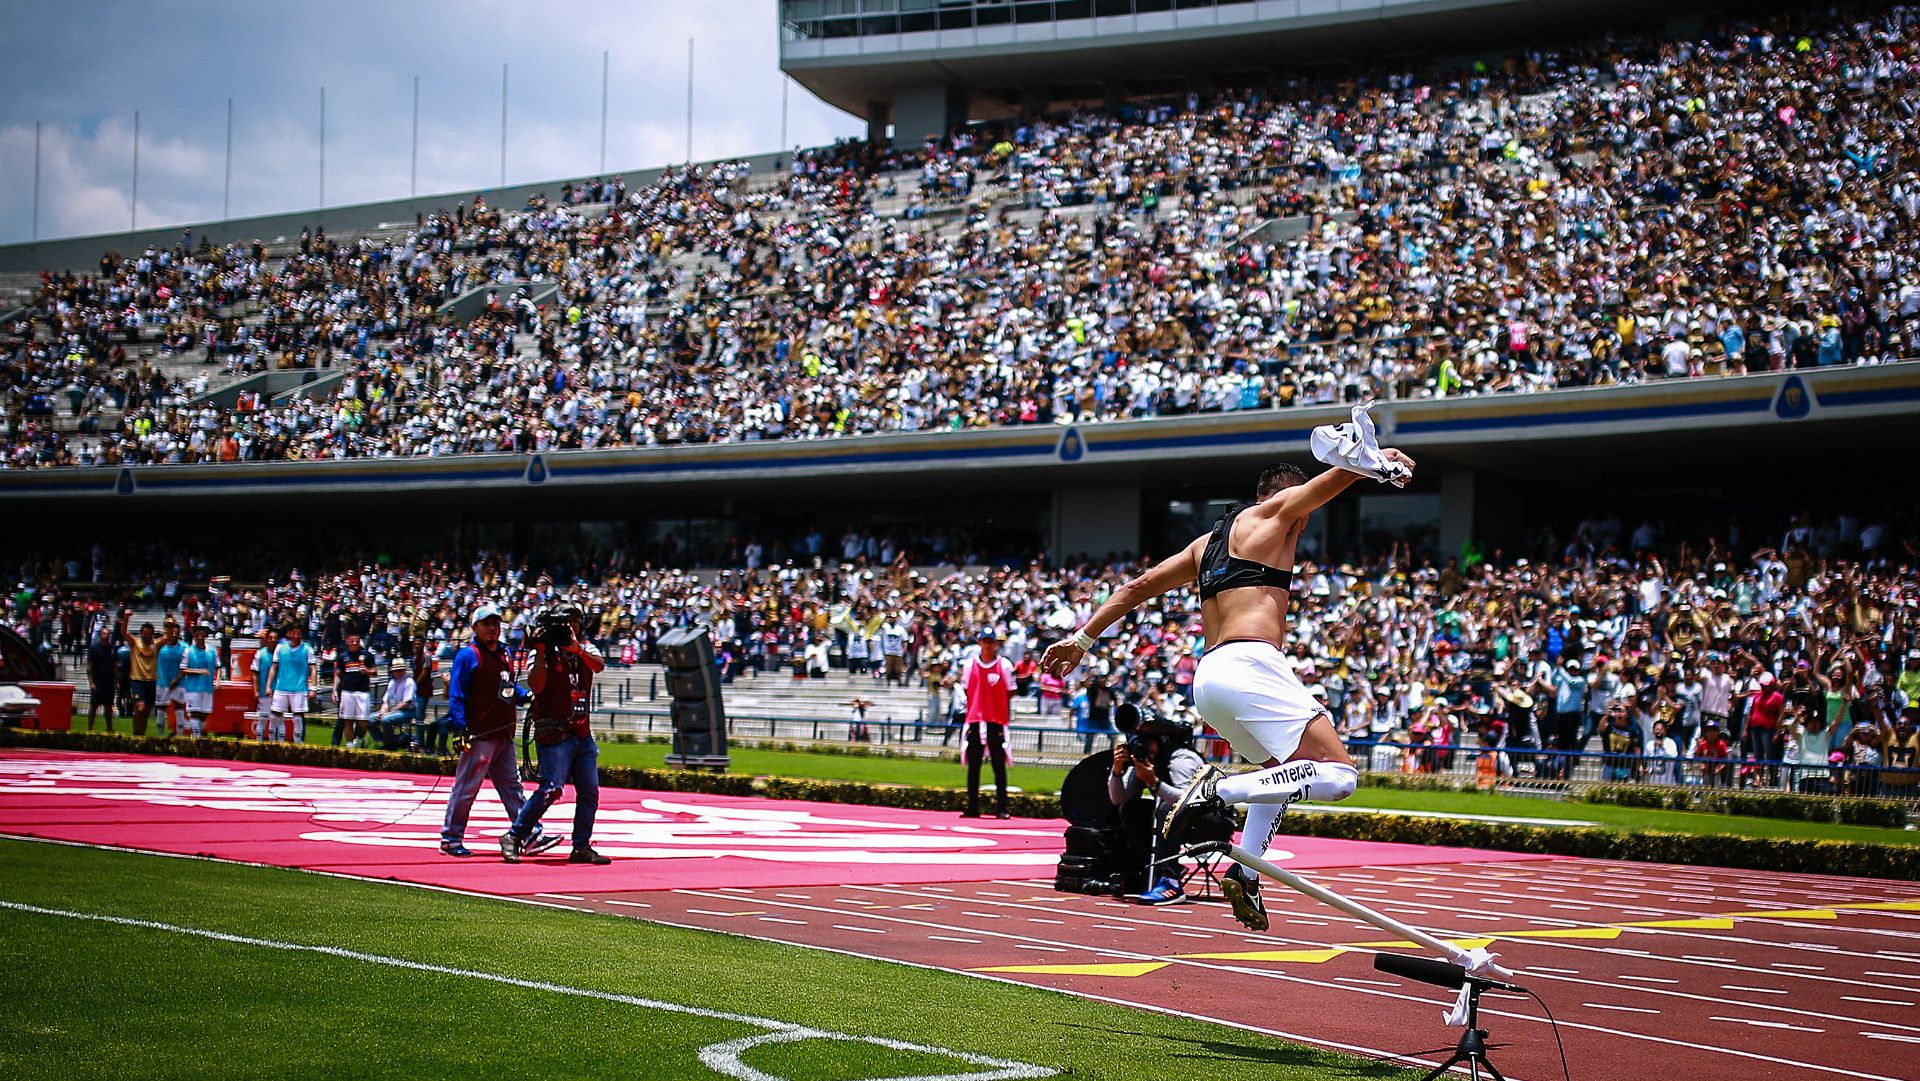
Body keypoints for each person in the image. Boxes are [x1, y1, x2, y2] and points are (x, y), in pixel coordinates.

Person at [1041, 449, 1415, 932]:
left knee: (1281, 776)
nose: (1299, 531)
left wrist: (1082, 639)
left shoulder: (1204, 545)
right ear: (1283, 500)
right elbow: (1322, 488)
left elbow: (1136, 587)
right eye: (1299, 520)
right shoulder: (1274, 513)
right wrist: (1369, 460)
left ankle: (1246, 870)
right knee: (1340, 775)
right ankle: (1217, 790)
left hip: (1210, 678)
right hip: (1251, 665)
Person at [439, 604, 559, 858]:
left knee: (512, 787)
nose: (493, 629)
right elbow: (457, 696)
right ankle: (451, 838)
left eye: (495, 624)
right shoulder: (467, 656)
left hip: (503, 733)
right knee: (467, 787)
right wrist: (459, 727)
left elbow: (508, 686)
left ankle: (528, 834)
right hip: (480, 734)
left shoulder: (504, 653)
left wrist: (524, 696)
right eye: (487, 624)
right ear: (475, 628)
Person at [502, 605, 609, 864]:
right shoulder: (542, 649)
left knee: (590, 791)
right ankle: (514, 836)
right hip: (554, 730)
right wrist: (540, 653)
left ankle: (581, 846)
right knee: (551, 788)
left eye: (574, 621)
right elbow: (536, 685)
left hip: (582, 731)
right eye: (564, 622)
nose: (569, 627)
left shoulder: (585, 647)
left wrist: (576, 649)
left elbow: (599, 666)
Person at [1110, 708, 1208, 906]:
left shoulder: (1181, 758)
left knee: (1167, 809)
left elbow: (1189, 801)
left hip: (1210, 821)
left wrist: (1154, 783)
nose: (1141, 747)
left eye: (1145, 742)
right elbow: (1118, 799)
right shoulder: (1145, 760)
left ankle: (1171, 881)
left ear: (1160, 739)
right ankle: (1145, 870)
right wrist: (1117, 770)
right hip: (1181, 822)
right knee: (1132, 809)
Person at [960, 626, 1015, 819]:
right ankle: (972, 806)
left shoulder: (1005, 665)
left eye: (991, 641)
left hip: (996, 720)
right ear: (980, 642)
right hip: (975, 718)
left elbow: (1010, 690)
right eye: (985, 641)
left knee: (998, 765)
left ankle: (1002, 807)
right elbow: (968, 688)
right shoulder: (970, 665)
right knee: (973, 765)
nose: (988, 645)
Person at [266, 622, 316, 743]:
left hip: (299, 689)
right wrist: (268, 685)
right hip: (281, 687)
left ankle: (298, 743)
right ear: (289, 634)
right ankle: (272, 742)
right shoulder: (280, 647)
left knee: (298, 717)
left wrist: (313, 687)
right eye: (293, 633)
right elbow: (274, 667)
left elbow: (313, 668)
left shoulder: (307, 648)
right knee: (274, 715)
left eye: (298, 633)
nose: (296, 635)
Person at [331, 630, 374, 748]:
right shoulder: (342, 657)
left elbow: (374, 671)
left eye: (356, 641)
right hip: (347, 692)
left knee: (363, 721)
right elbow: (338, 675)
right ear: (347, 641)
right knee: (347, 720)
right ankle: (350, 746)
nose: (354, 643)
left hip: (363, 692)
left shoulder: (367, 655)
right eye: (352, 641)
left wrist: (367, 671)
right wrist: (334, 690)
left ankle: (359, 740)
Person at [118, 609, 158, 737]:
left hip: (151, 681)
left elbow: (168, 638)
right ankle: (136, 733)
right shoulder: (135, 643)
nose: (147, 636)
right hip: (137, 680)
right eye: (145, 633)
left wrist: (169, 622)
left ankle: (141, 735)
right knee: (140, 707)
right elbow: (123, 633)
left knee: (146, 712)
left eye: (150, 634)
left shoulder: (156, 645)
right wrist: (126, 618)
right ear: (141, 633)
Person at [178, 624, 218, 738]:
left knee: (204, 713)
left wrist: (218, 680)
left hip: (207, 687)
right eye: (197, 634)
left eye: (202, 634)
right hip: (193, 688)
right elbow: (183, 669)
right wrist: (198, 671)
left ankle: (196, 735)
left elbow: (218, 666)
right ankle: (197, 737)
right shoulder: (188, 651)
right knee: (194, 712)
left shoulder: (212, 650)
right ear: (194, 636)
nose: (200, 637)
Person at [376, 660, 421, 751]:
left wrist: (389, 712)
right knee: (371, 719)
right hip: (392, 710)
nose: (398, 672)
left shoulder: (409, 682)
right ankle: (388, 740)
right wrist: (382, 712)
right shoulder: (392, 682)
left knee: (386, 719)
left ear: (404, 670)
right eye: (396, 670)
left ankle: (389, 745)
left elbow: (406, 702)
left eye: (400, 670)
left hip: (407, 711)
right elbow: (385, 701)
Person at [155, 620, 186, 736]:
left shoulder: (185, 647)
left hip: (179, 683)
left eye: (176, 632)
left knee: (179, 708)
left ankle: (180, 737)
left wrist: (177, 680)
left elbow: (186, 667)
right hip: (162, 683)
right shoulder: (160, 646)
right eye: (172, 632)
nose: (174, 634)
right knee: (161, 709)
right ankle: (160, 737)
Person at [85, 624, 118, 731]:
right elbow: (89, 666)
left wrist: (117, 681)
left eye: (108, 634)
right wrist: (91, 682)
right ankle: (90, 728)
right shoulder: (94, 648)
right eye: (104, 634)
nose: (106, 636)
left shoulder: (112, 649)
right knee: (94, 705)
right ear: (100, 636)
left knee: (108, 706)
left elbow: (115, 666)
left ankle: (109, 728)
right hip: (98, 681)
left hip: (109, 681)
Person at [248, 627, 277, 740]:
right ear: (267, 640)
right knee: (263, 719)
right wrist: (255, 690)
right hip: (264, 692)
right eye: (270, 638)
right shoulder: (260, 654)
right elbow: (255, 674)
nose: (273, 640)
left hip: (279, 692)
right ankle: (259, 744)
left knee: (276, 720)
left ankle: (273, 744)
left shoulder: (281, 653)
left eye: (275, 638)